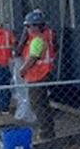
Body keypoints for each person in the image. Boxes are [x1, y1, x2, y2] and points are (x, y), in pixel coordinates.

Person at [18, 9, 56, 140]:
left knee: (37, 104)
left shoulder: (37, 40)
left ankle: (45, 132)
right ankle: (48, 131)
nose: (27, 28)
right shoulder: (43, 37)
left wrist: (22, 70)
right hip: (42, 74)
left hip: (37, 76)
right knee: (43, 103)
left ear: (36, 26)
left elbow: (32, 58)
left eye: (28, 26)